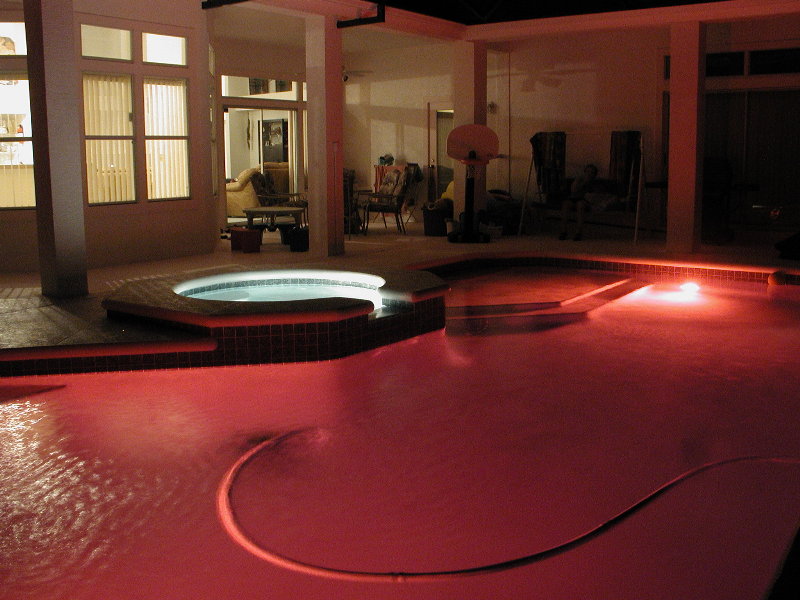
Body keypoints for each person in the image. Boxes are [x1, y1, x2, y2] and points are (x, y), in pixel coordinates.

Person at [559, 163, 598, 241]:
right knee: (566, 204)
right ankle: (563, 231)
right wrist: (583, 183)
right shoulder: (579, 179)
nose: (589, 174)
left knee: (580, 205)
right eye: (588, 171)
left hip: (584, 201)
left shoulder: (595, 183)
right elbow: (573, 191)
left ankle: (578, 232)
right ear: (584, 172)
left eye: (592, 172)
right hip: (573, 198)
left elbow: (594, 196)